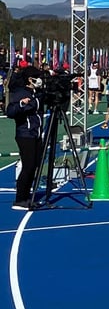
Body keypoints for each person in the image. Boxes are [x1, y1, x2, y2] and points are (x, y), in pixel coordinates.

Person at [6, 66, 44, 210]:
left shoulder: (36, 92)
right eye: (37, 77)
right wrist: (23, 104)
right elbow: (10, 111)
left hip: (36, 133)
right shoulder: (21, 92)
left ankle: (27, 196)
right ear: (30, 79)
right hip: (25, 134)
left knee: (34, 165)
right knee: (28, 166)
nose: (39, 80)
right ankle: (19, 199)